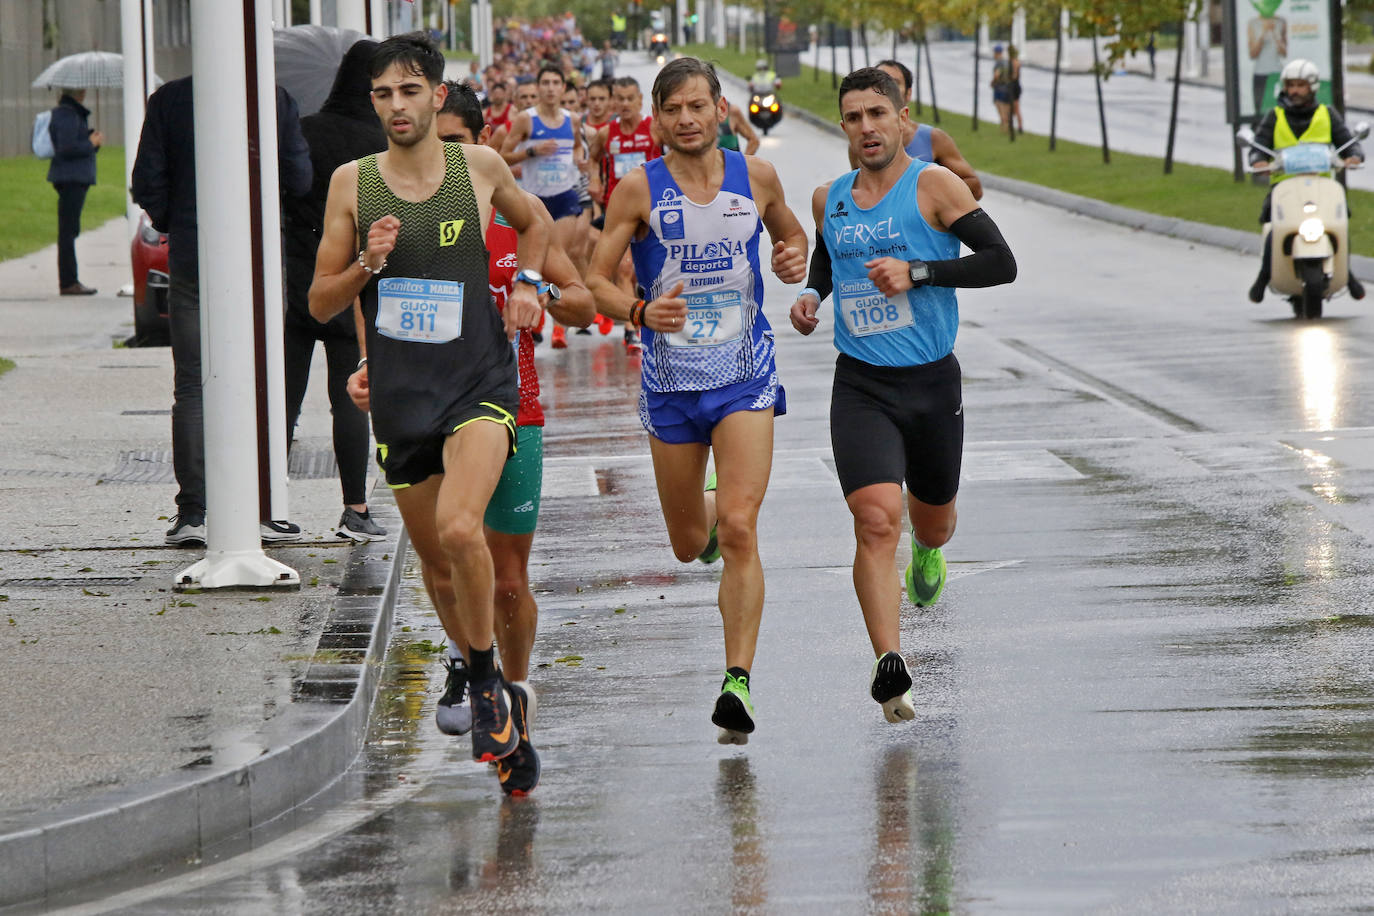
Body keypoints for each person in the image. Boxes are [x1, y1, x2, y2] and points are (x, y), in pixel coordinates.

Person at [308, 33, 549, 793]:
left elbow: (535, 221)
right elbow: (319, 300)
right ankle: (495, 698)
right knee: (441, 573)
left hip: (478, 382)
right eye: (383, 94)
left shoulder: (475, 167)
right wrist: (367, 266)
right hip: (403, 400)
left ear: (437, 96)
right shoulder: (352, 183)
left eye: (410, 91)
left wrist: (528, 282)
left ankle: (484, 685)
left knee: (458, 527)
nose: (398, 106)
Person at [348, 83, 594, 794]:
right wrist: (368, 367)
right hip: (427, 412)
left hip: (513, 408)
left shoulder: (513, 214)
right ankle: (475, 667)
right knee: (448, 558)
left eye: (455, 144)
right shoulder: (399, 213)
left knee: (510, 580)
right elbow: (378, 309)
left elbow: (578, 297)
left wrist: (535, 293)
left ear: (479, 149)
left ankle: (511, 692)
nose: (440, 158)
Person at [587, 57, 808, 745]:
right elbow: (595, 278)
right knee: (691, 544)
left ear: (720, 111)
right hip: (672, 383)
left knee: (741, 528)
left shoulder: (757, 177)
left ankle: (736, 681)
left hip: (745, 374)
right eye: (672, 109)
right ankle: (708, 513)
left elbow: (792, 234)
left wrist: (791, 257)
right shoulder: (636, 190)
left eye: (697, 106)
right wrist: (635, 310)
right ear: (657, 120)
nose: (686, 119)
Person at [790, 68, 1016, 723]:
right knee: (874, 520)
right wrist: (811, 296)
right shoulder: (827, 198)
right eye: (853, 117)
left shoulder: (934, 186)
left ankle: (930, 549)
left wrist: (918, 272)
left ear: (901, 121)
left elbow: (1001, 262)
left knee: (932, 521)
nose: (865, 127)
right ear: (843, 127)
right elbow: (830, 262)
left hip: (930, 381)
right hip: (860, 384)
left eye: (876, 115)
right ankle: (890, 663)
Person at [131, 76, 312, 548]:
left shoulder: (168, 100)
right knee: (262, 374)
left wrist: (179, 222)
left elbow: (146, 181)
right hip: (256, 253)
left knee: (193, 382)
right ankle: (261, 502)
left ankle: (193, 509)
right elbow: (299, 177)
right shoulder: (272, 97)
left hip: (194, 253)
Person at [282, 40, 389, 543]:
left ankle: (266, 502)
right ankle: (356, 507)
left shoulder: (303, 130)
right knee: (350, 397)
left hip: (298, 280)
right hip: (356, 281)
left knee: (284, 398)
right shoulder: (382, 147)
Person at [1247, 58, 1364, 302]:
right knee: (1273, 226)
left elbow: (1347, 142)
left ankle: (1348, 273)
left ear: (1312, 87)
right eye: (1291, 85)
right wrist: (1258, 160)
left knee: (1339, 223)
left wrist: (1353, 156)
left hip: (1321, 186)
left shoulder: (1327, 114)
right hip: (1286, 186)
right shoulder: (1275, 116)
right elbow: (1259, 146)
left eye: (1300, 85)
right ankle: (1263, 275)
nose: (1295, 91)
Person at [501, 67, 586, 319]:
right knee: (537, 264)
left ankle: (560, 326)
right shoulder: (526, 119)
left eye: (555, 82)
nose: (550, 88)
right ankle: (534, 314)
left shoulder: (573, 119)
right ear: (538, 88)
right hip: (533, 202)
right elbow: (502, 156)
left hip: (564, 196)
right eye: (545, 83)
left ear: (563, 88)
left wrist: (579, 161)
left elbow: (579, 149)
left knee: (562, 257)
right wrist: (531, 152)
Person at [588, 75, 662, 349]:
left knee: (650, 267)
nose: (625, 103)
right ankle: (633, 329)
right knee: (624, 268)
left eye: (630, 98)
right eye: (619, 98)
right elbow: (593, 159)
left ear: (640, 100)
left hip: (651, 209)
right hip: (617, 210)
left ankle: (654, 312)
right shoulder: (607, 133)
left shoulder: (653, 129)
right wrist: (595, 179)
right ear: (613, 102)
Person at [849, 60, 982, 200]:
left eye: (893, 82)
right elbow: (858, 194)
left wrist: (928, 196)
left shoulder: (933, 139)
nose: (884, 89)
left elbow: (974, 187)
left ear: (908, 93)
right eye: (878, 82)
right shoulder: (859, 144)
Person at [46, 88, 103, 296]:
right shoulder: (67, 114)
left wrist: (89, 140)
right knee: (68, 231)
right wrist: (90, 144)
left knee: (70, 229)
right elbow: (66, 148)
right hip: (71, 178)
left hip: (73, 177)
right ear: (78, 92)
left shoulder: (71, 113)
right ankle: (69, 281)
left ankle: (70, 280)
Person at [1247, 1, 1287, 114]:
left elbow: (1284, 52)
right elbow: (1252, 53)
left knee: (1280, 108)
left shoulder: (1280, 22)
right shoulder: (1253, 23)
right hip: (1260, 71)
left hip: (1277, 71)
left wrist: (1275, 33)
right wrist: (1263, 32)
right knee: (1260, 109)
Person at [990, 45, 1013, 134]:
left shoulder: (998, 63)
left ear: (997, 53)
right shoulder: (1006, 62)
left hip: (999, 88)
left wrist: (992, 82)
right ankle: (1007, 127)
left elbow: (997, 74)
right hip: (1007, 88)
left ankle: (1004, 128)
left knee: (1000, 108)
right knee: (1007, 110)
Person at [1008, 45, 1024, 134]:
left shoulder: (1013, 62)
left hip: (1014, 86)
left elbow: (1014, 76)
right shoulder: (1017, 61)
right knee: (1014, 108)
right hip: (1017, 85)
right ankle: (1013, 124)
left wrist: (1008, 78)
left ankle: (1019, 126)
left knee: (1015, 108)